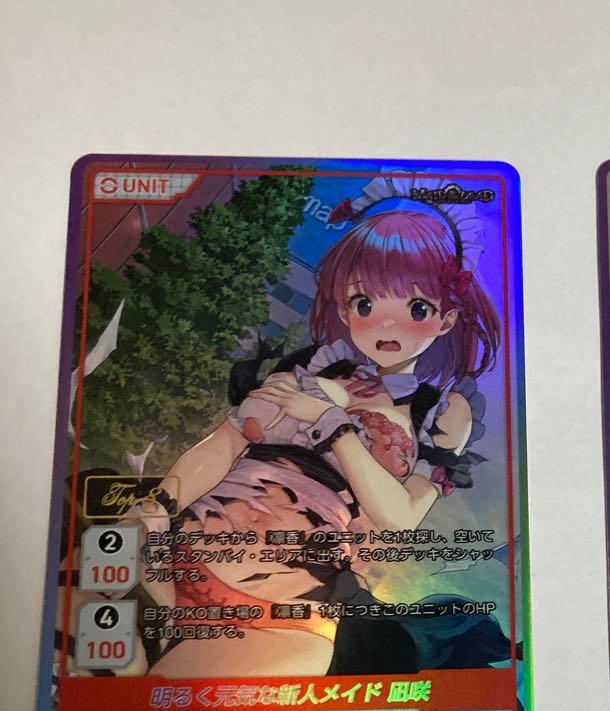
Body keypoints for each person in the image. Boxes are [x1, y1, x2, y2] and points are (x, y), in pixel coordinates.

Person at [151, 173, 513, 675]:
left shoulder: (442, 413)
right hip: (189, 540)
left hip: (288, 604)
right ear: (345, 307)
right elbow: (226, 444)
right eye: (365, 303)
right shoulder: (308, 368)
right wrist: (156, 507)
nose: (386, 325)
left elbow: (399, 519)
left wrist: (331, 424)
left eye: (416, 307)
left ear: (446, 319)